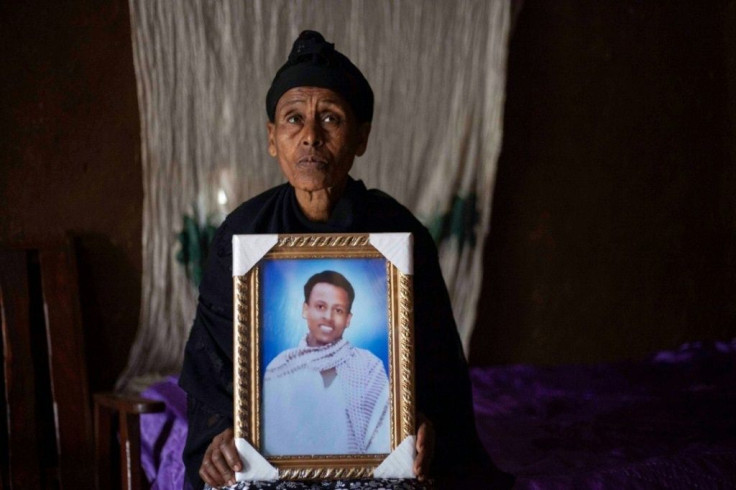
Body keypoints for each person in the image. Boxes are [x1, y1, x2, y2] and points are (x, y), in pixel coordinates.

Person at [179, 30, 513, 489]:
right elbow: (212, 361)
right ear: (273, 138)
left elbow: (437, 365)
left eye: (331, 119)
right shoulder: (242, 234)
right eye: (293, 119)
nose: (311, 137)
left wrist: (423, 427)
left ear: (360, 138)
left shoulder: (400, 235)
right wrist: (220, 432)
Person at [262, 270, 389, 456]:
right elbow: (272, 442)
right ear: (305, 309)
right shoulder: (280, 368)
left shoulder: (369, 366)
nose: (328, 317)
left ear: (348, 319)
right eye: (320, 307)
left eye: (338, 310)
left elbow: (384, 438)